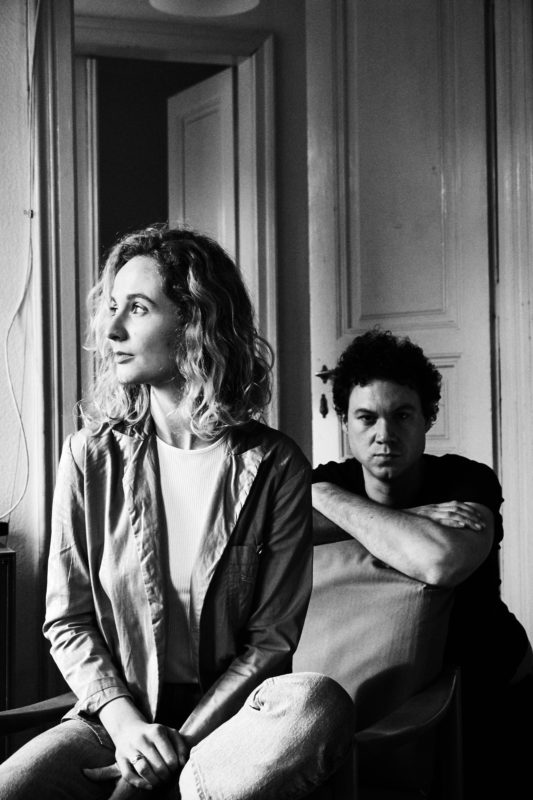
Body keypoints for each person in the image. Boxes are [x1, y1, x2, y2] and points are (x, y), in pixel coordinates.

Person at [0, 225, 353, 800]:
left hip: (231, 730)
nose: (111, 329)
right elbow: (68, 621)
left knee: (319, 703)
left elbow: (271, 642)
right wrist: (128, 729)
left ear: (195, 322)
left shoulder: (276, 465)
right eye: (112, 307)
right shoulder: (88, 457)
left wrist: (174, 751)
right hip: (115, 722)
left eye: (137, 308)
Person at [312, 328, 533, 797]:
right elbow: (262, 537)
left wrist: (329, 502)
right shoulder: (328, 483)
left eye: (402, 415)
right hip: (389, 689)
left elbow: (439, 562)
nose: (384, 435)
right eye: (366, 418)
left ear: (428, 417)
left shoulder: (466, 480)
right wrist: (410, 516)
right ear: (345, 422)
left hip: (489, 683)